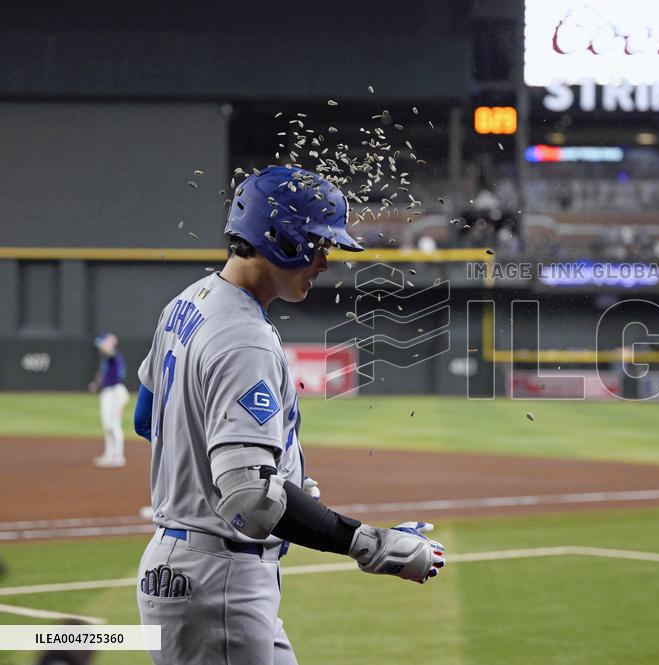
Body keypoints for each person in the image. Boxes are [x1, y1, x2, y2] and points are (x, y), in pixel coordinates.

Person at [133, 166, 445, 665]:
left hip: (195, 569)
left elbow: (147, 418)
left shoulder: (188, 301)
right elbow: (251, 503)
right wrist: (371, 544)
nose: (325, 261)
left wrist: (278, 486)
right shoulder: (243, 336)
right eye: (319, 244)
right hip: (220, 584)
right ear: (281, 239)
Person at [89, 333, 129, 468]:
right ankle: (109, 454)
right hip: (107, 392)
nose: (100, 347)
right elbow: (102, 375)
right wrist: (97, 385)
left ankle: (119, 456)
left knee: (115, 424)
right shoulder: (105, 360)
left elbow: (110, 352)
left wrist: (109, 343)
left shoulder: (114, 356)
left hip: (116, 391)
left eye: (102, 344)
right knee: (107, 425)